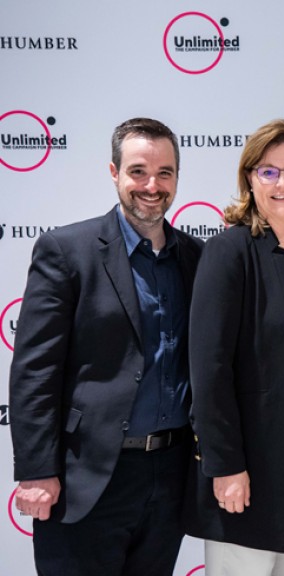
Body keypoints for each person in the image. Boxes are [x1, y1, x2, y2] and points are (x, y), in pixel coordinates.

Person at [9, 117, 203, 576]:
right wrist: (36, 470)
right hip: (88, 475)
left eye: (165, 173)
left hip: (170, 476)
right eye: (138, 171)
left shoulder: (195, 258)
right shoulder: (66, 250)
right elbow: (35, 370)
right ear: (113, 173)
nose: (151, 186)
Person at [183, 119, 284, 576]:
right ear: (249, 179)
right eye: (268, 171)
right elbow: (208, 370)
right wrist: (225, 465)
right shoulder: (229, 252)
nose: (282, 183)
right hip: (251, 449)